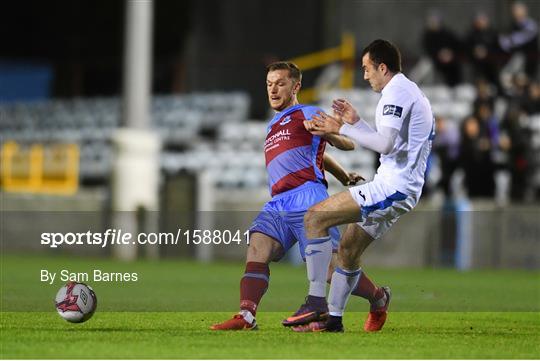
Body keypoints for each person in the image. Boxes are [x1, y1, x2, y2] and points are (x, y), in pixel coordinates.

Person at [285, 40, 434, 332]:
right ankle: (336, 320)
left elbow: (385, 144)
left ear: (382, 67)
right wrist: (357, 122)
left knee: (314, 217)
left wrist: (339, 128)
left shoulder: (397, 92)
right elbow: (390, 145)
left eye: (367, 69)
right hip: (399, 187)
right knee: (348, 250)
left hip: (393, 187)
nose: (364, 76)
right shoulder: (406, 91)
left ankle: (315, 305)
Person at [210, 61, 362, 330]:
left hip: (309, 197)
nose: (273, 89)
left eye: (280, 83)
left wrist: (332, 133)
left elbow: (345, 143)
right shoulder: (273, 124)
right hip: (279, 201)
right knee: (257, 247)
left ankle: (378, 297)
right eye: (269, 84)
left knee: (331, 270)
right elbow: (318, 154)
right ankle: (246, 316)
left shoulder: (308, 111)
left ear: (296, 86)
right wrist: (343, 176)